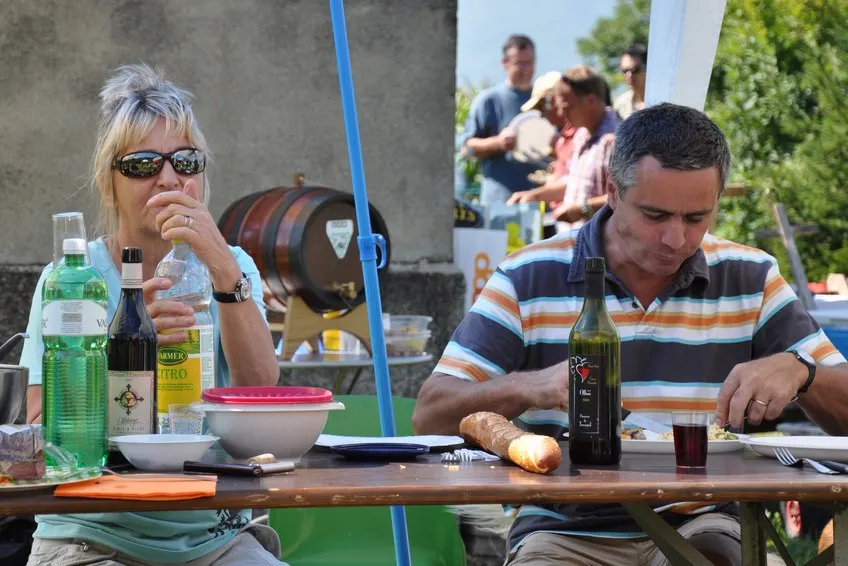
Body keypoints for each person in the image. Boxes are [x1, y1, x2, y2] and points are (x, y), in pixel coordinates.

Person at [413, 103, 848, 566]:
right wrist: (529, 386)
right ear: (612, 191)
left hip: (708, 521)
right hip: (564, 529)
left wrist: (802, 371)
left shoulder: (750, 276)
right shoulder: (529, 275)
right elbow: (430, 415)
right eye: (655, 215)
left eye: (696, 218)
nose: (676, 239)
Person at [21, 64, 284, 566]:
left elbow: (259, 391)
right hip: (92, 533)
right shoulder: (72, 280)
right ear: (109, 183)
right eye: (143, 164)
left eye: (185, 160)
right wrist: (127, 353)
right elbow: (39, 430)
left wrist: (223, 267)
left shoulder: (231, 267)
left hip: (214, 533)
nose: (168, 178)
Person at [508, 66, 618, 231]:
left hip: (599, 243)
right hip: (575, 239)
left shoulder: (616, 140)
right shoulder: (581, 134)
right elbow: (572, 182)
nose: (561, 114)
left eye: (567, 107)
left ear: (591, 100)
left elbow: (626, 197)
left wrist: (583, 209)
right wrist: (534, 196)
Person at [461, 34, 538, 206]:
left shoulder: (545, 99)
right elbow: (467, 147)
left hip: (540, 202)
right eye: (519, 64)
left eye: (530, 63)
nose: (526, 69)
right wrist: (499, 143)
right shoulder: (488, 101)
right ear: (505, 63)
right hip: (499, 203)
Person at [614, 43, 648, 120]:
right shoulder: (621, 105)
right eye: (624, 71)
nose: (629, 75)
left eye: (635, 70)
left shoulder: (664, 100)